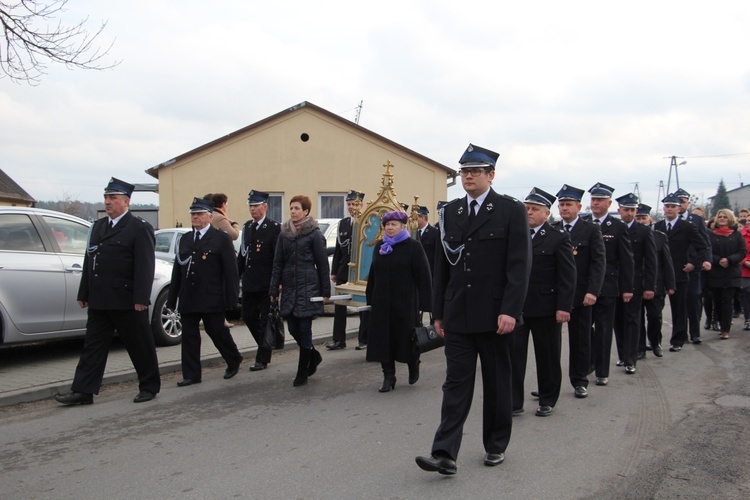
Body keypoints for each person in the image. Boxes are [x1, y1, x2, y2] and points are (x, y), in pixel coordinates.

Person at [416, 143, 531, 475]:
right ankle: (444, 453)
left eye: (475, 171)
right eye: (464, 171)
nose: (468, 176)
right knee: (455, 384)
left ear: (490, 175)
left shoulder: (510, 211)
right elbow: (443, 268)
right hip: (459, 315)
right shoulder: (451, 212)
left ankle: (495, 445)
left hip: (496, 317)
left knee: (496, 384)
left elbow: (519, 266)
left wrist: (510, 310)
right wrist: (438, 312)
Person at [55, 178, 161, 405]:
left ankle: (149, 386)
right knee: (93, 347)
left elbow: (145, 265)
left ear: (126, 202)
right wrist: (84, 293)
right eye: (106, 197)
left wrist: (141, 298)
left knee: (139, 345)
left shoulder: (138, 227)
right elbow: (89, 261)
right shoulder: (98, 227)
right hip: (100, 298)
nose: (108, 202)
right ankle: (84, 391)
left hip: (127, 299)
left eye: (113, 198)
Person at [511, 188, 575, 417]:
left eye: (534, 209)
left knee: (547, 356)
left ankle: (547, 399)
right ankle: (513, 401)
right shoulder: (516, 235)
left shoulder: (559, 238)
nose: (528, 212)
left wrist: (564, 307)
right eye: (526, 208)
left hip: (546, 307)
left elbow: (567, 276)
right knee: (514, 356)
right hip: (517, 308)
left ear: (546, 214)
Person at [167, 197, 243, 386]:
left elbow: (231, 272)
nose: (195, 217)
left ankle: (233, 358)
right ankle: (191, 374)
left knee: (217, 331)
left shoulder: (221, 238)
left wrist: (232, 299)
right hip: (189, 297)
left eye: (199, 214)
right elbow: (178, 270)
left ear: (210, 217)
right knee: (190, 336)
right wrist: (171, 299)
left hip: (211, 296)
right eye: (193, 214)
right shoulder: (185, 239)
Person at [365, 210, 432, 392]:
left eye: (394, 224)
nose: (390, 228)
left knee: (406, 338)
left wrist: (426, 304)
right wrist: (370, 296)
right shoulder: (381, 246)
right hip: (382, 302)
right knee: (382, 339)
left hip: (405, 301)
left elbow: (423, 275)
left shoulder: (413, 246)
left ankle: (413, 363)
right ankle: (388, 375)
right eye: (387, 225)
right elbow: (373, 273)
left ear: (402, 227)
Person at [269, 195, 331, 387]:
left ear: (305, 211)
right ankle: (313, 355)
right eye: (292, 208)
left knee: (304, 328)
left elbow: (322, 265)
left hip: (308, 287)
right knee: (293, 328)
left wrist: (325, 291)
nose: (293, 211)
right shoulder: (284, 234)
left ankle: (302, 370)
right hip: (289, 287)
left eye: (297, 208)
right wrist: (273, 288)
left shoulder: (314, 234)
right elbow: (277, 263)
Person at [552, 184, 605, 399]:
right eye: (561, 204)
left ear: (578, 206)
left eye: (568, 204)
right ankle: (550, 385)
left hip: (581, 295)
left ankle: (580, 380)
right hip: (556, 295)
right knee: (550, 344)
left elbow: (598, 262)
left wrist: (593, 291)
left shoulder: (591, 230)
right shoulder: (553, 228)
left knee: (580, 340)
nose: (564, 208)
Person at [586, 183, 634, 386]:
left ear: (609, 203)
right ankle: (589, 363)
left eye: (599, 200)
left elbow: (626, 260)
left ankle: (602, 371)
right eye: (593, 200)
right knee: (585, 330)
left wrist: (627, 288)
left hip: (607, 287)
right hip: (585, 287)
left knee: (604, 330)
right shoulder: (584, 224)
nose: (595, 203)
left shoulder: (618, 227)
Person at [653, 194, 709, 351]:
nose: (670, 209)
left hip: (680, 272)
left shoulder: (687, 227)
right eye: (667, 206)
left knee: (679, 308)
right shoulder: (658, 227)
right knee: (655, 310)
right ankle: (655, 340)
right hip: (661, 273)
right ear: (663, 208)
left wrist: (693, 263)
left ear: (679, 208)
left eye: (673, 206)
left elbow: (703, 247)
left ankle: (678, 340)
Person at [612, 193, 656, 375]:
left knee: (632, 320)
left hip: (635, 284)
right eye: (625, 210)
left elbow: (651, 261)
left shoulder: (644, 232)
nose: (628, 213)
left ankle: (631, 359)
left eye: (632, 210)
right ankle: (622, 354)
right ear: (619, 211)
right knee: (617, 321)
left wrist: (649, 286)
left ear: (636, 211)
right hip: (615, 283)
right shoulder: (613, 229)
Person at [238, 190, 281, 371]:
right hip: (249, 281)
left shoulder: (273, 228)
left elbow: (277, 258)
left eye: (256, 206)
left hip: (266, 283)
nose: (252, 209)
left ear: (265, 207)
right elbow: (242, 255)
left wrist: (277, 283)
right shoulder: (247, 227)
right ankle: (266, 344)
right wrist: (237, 276)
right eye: (250, 206)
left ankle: (262, 358)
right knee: (247, 316)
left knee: (265, 319)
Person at [635, 205, 675, 358]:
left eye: (643, 218)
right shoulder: (630, 235)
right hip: (637, 284)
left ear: (650, 219)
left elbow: (667, 262)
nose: (641, 221)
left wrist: (670, 284)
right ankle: (639, 347)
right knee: (637, 318)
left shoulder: (660, 236)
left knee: (654, 316)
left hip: (656, 284)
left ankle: (655, 342)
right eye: (638, 218)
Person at [675, 188, 712, 344]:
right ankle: (680, 334)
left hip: (694, 266)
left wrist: (705, 260)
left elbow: (705, 243)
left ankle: (695, 333)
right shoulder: (671, 221)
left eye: (683, 202)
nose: (680, 205)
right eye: (677, 202)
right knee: (678, 302)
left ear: (688, 203)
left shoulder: (696, 220)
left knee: (693, 299)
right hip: (677, 267)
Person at [328, 189, 364, 351]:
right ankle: (339, 340)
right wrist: (334, 271)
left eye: (354, 204)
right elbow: (338, 249)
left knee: (363, 307)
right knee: (340, 306)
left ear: (361, 205)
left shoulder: (366, 220)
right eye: (349, 204)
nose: (351, 207)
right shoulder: (343, 223)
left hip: (361, 272)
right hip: (344, 270)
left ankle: (364, 339)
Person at [707, 209, 746, 340]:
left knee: (728, 300)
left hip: (731, 272)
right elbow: (708, 251)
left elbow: (742, 252)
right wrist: (719, 260)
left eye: (725, 217)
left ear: (730, 219)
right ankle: (717, 320)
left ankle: (725, 329)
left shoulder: (736, 235)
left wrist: (729, 260)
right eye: (720, 217)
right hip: (716, 272)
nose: (722, 219)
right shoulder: (712, 235)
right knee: (717, 300)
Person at [416, 205, 438, 275]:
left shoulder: (434, 232)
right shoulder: (413, 232)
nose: (414, 221)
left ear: (422, 218)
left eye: (416, 218)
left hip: (430, 270)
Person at [740, 210, 750, 330]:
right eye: (747, 221)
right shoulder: (741, 235)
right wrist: (746, 262)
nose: (748, 223)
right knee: (747, 293)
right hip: (745, 268)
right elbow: (740, 251)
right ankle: (748, 318)